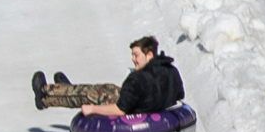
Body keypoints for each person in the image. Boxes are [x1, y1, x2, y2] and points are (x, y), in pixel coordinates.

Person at [34, 38, 184, 116]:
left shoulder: (139, 79)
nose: (133, 59)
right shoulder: (171, 70)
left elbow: (120, 110)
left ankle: (45, 95)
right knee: (109, 88)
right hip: (141, 102)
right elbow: (179, 96)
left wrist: (92, 109)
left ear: (149, 55)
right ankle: (67, 88)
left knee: (93, 94)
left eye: (136, 55)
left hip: (133, 108)